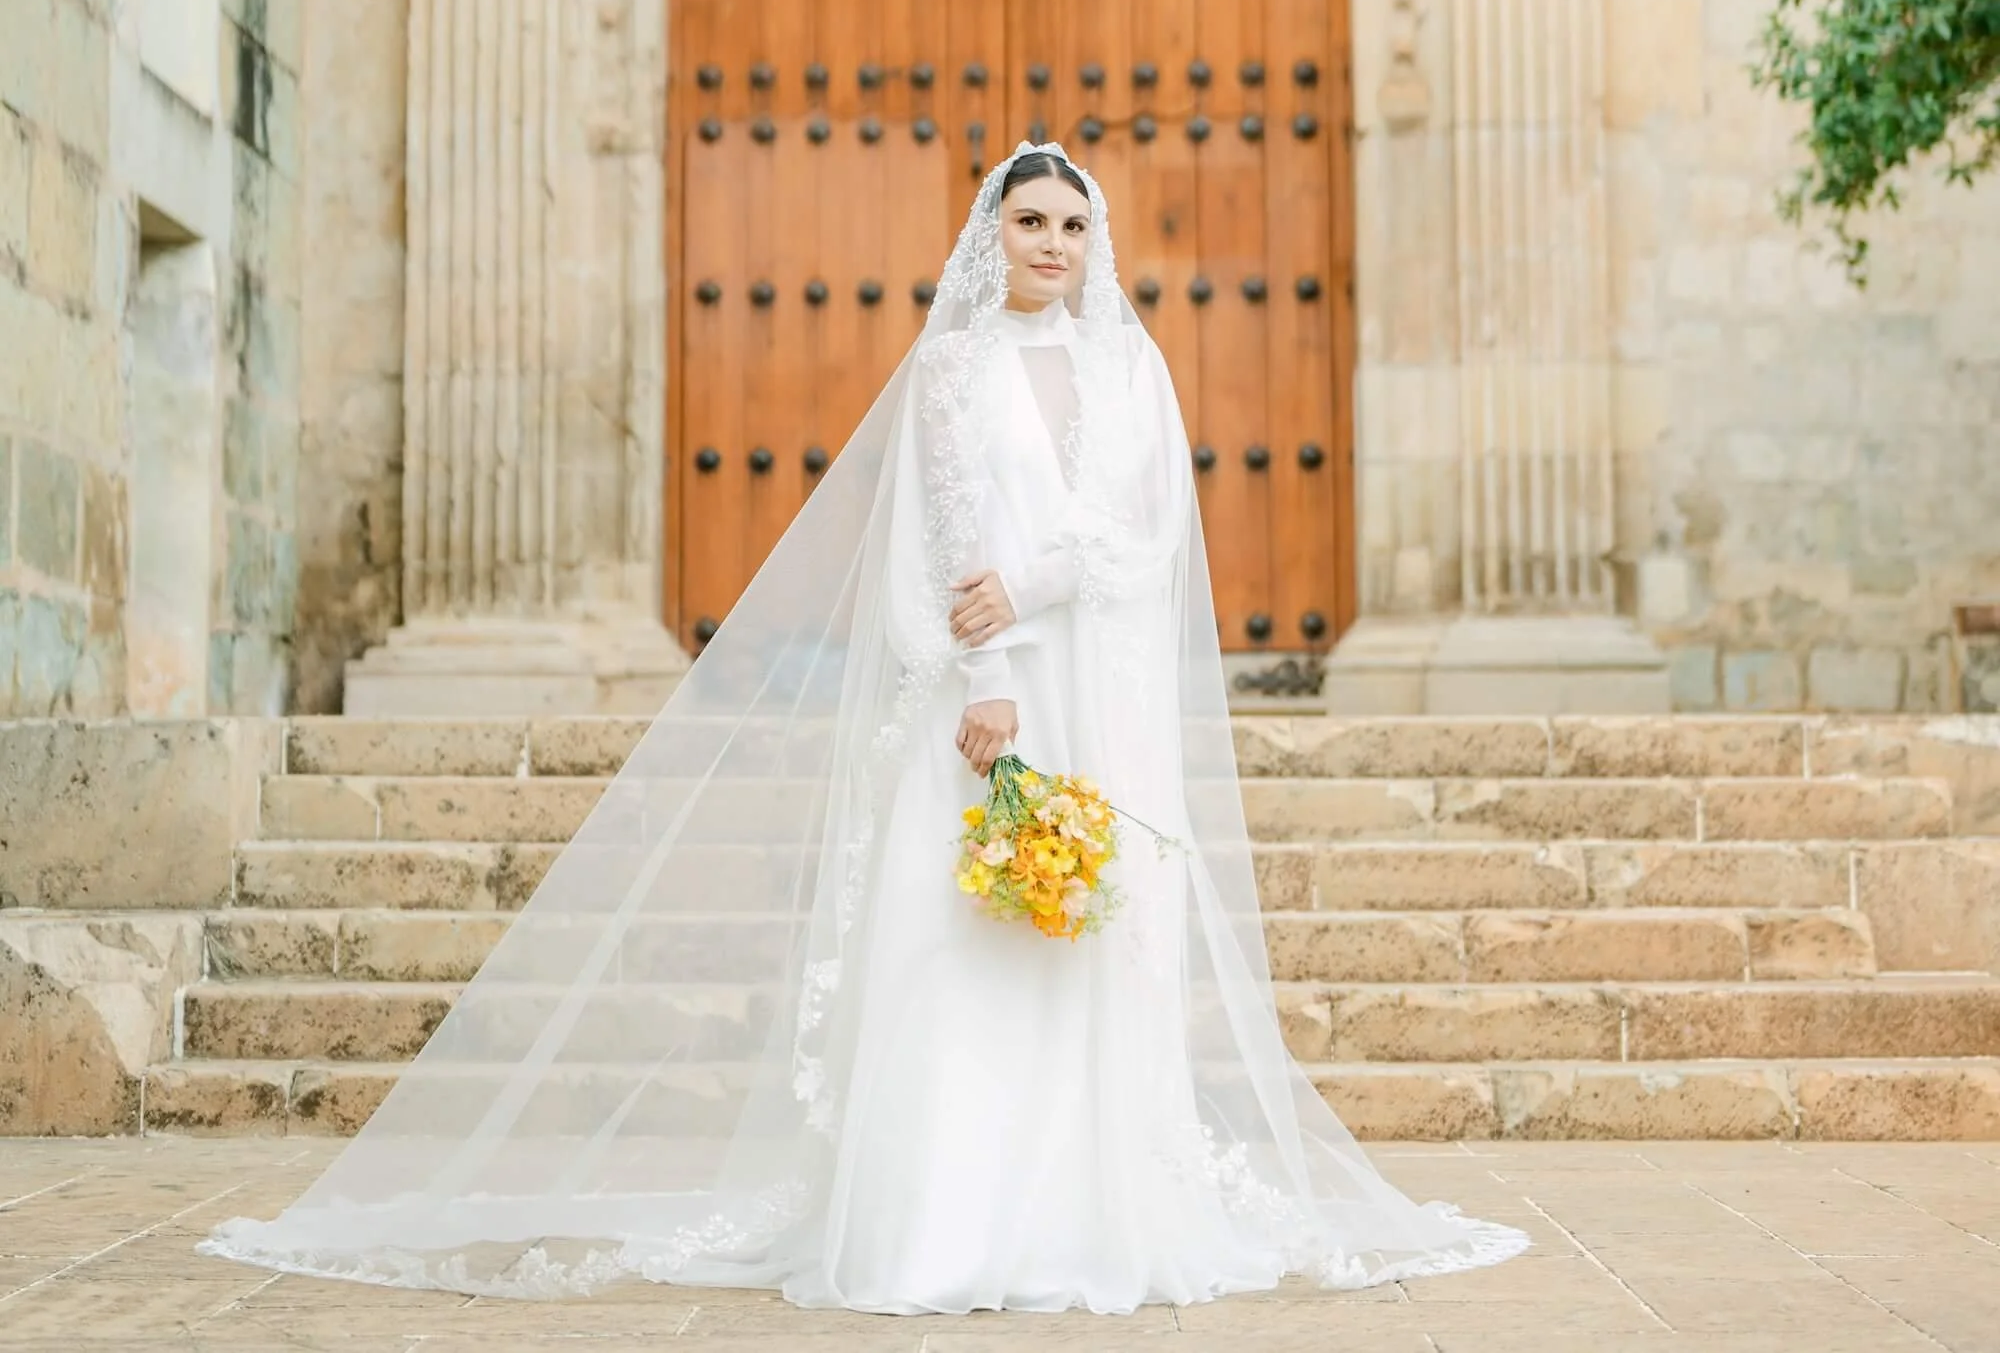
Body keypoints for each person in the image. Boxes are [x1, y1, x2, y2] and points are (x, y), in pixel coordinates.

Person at [204, 143, 1527, 1312]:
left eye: (1072, 223)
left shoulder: (1134, 367)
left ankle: (1089, 1203)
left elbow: (1150, 536)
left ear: (1094, 238)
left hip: (1098, 690)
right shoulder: (953, 368)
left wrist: (1049, 581)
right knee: (968, 925)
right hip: (990, 688)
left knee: (1088, 927)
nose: (1053, 244)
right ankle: (946, 1221)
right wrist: (989, 670)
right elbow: (951, 533)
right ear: (990, 235)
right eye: (1030, 224)